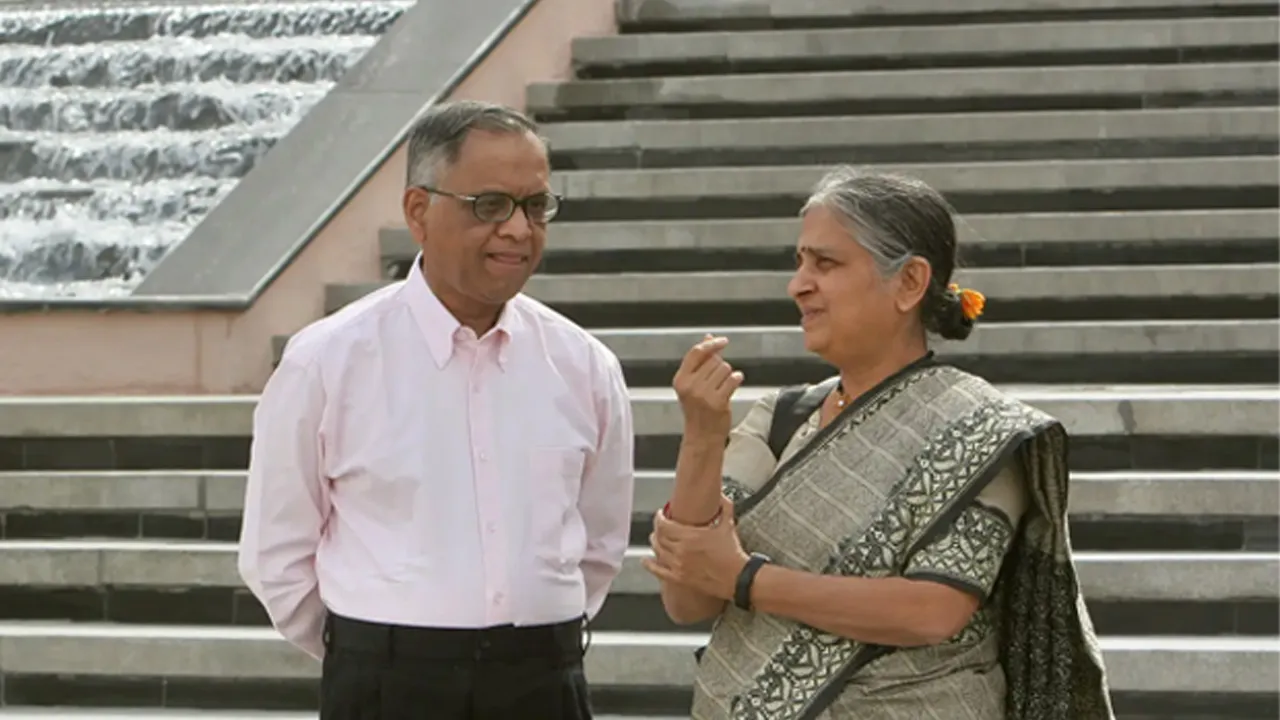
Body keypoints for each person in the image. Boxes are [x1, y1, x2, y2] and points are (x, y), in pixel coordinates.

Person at [643, 166, 1115, 719]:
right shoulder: (781, 418)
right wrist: (702, 432)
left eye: (826, 263)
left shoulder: (976, 428)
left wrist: (746, 578)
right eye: (799, 262)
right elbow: (688, 598)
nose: (798, 284)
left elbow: (931, 609)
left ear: (910, 282)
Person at [237, 100, 635, 720]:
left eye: (535, 207)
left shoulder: (584, 364)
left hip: (543, 681)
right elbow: (276, 553)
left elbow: (600, 540)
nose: (518, 230)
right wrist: (381, 653)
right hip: (387, 684)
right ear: (419, 212)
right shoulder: (326, 361)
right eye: (490, 206)